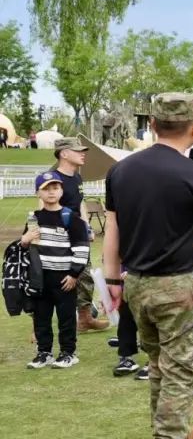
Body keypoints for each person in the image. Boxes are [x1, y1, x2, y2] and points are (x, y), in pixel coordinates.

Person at [103, 92, 193, 439]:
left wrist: (112, 281)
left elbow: (113, 231)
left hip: (136, 282)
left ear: (152, 126)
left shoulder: (121, 171)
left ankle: (173, 438)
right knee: (184, 369)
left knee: (160, 364)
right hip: (177, 284)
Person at [24, 171, 90, 369]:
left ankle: (68, 352)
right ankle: (44, 352)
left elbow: (82, 249)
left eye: (55, 188)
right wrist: (24, 241)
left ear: (61, 191)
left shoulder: (72, 218)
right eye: (46, 189)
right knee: (41, 316)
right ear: (38, 193)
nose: (51, 192)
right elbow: (27, 247)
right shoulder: (34, 218)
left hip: (64, 277)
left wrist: (74, 274)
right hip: (40, 277)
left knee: (66, 317)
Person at [51, 137, 109, 333]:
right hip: (60, 237)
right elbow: (47, 210)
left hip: (79, 236)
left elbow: (80, 203)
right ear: (64, 154)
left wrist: (87, 227)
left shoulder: (77, 177)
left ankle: (84, 319)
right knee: (59, 280)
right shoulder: (52, 179)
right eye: (77, 151)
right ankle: (41, 325)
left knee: (84, 277)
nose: (82, 153)